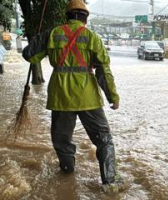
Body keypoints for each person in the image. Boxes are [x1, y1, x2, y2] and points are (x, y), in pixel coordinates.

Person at [22, 0, 121, 191]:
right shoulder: (92, 37)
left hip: (60, 98)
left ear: (66, 16)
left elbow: (29, 55)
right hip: (88, 98)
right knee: (104, 140)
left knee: (62, 141)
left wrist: (36, 38)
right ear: (85, 18)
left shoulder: (52, 34)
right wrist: (113, 98)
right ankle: (110, 182)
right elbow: (103, 72)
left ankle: (67, 174)